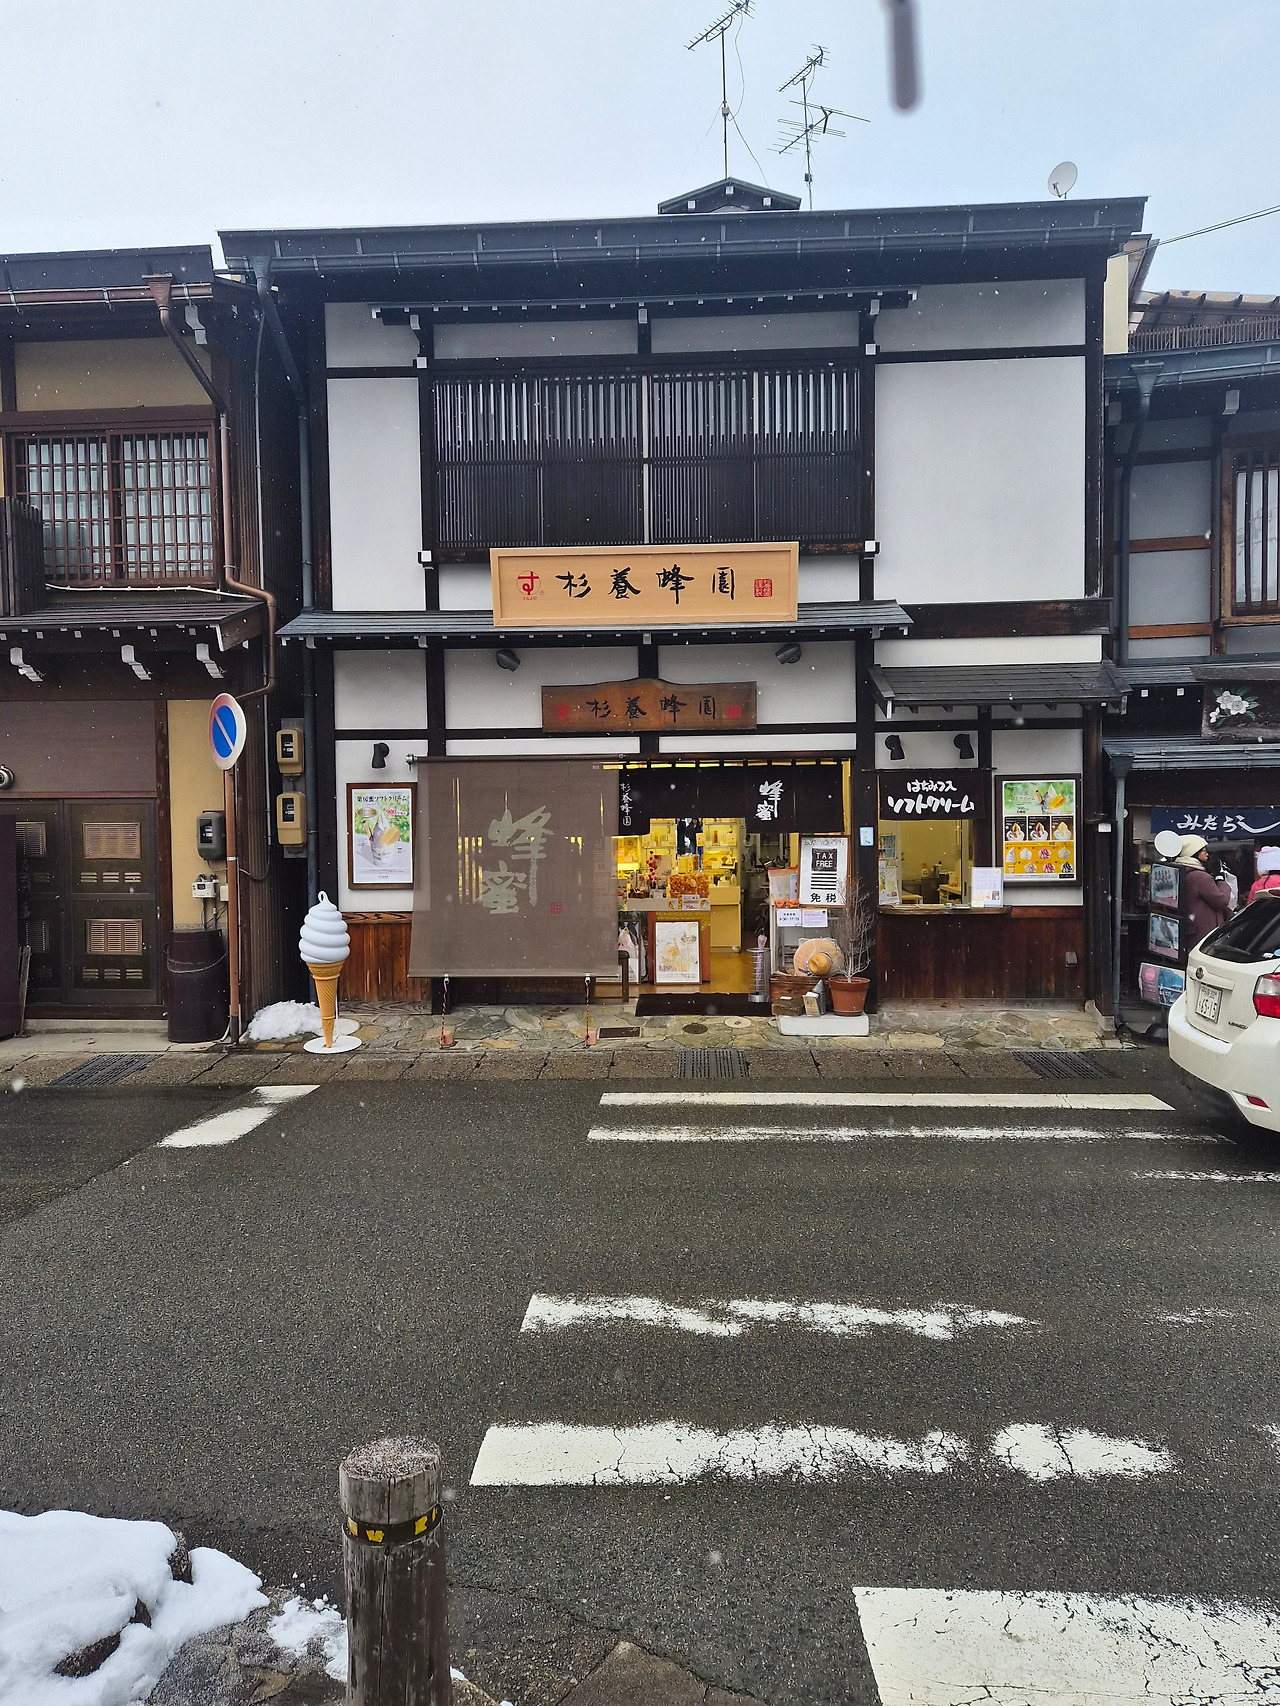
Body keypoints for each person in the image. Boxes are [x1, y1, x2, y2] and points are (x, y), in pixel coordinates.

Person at [1176, 833, 1233, 945]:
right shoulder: (1200, 877)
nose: (1207, 854)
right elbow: (1220, 901)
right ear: (1193, 853)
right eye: (1203, 851)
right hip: (1205, 932)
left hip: (1191, 929)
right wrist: (1220, 880)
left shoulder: (1181, 871)